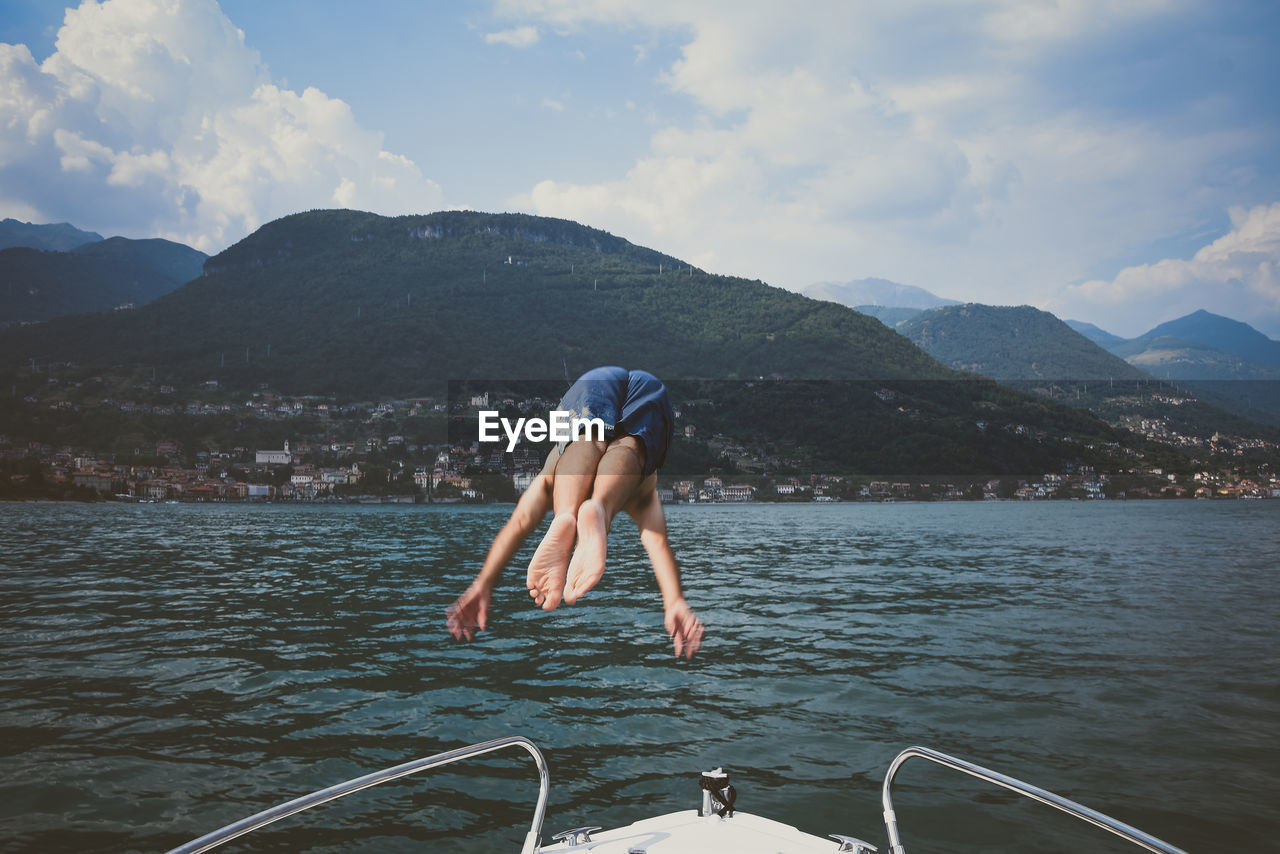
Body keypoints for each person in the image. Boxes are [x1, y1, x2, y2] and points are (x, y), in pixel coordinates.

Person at [446, 367, 704, 659]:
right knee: (630, 447)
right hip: (648, 387)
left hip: (597, 380)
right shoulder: (640, 493)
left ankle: (566, 515)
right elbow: (657, 542)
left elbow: (518, 524)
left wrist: (483, 582)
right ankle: (599, 508)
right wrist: (674, 601)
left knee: (586, 438)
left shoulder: (552, 478)